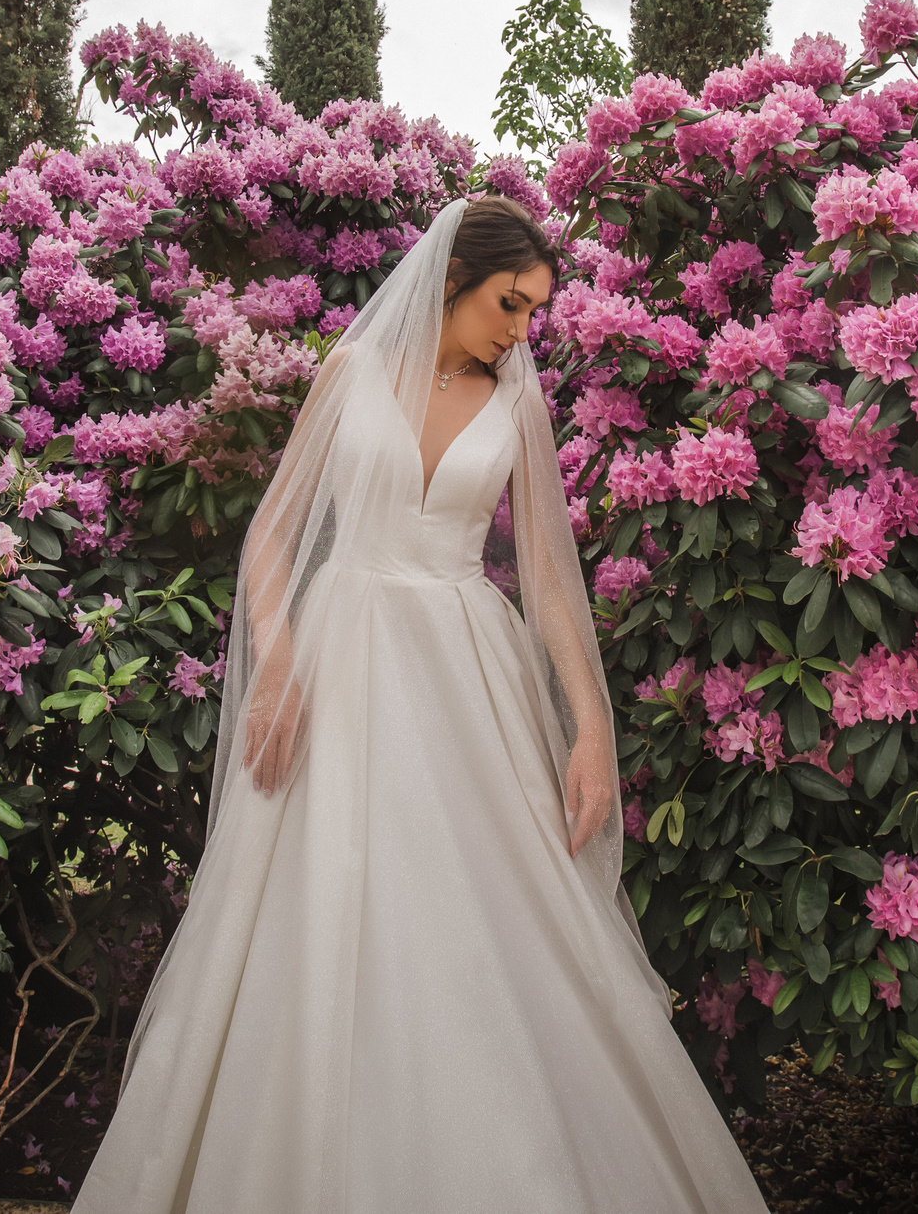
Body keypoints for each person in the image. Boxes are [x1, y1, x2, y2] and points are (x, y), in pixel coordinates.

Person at [72, 196, 771, 1212]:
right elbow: (272, 537)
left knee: (487, 919)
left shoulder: (516, 400)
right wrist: (277, 663)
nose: (522, 327)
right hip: (340, 660)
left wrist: (589, 734)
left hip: (462, 674)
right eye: (509, 301)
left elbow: (546, 578)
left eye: (535, 308)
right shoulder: (351, 374)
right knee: (314, 910)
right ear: (451, 280)